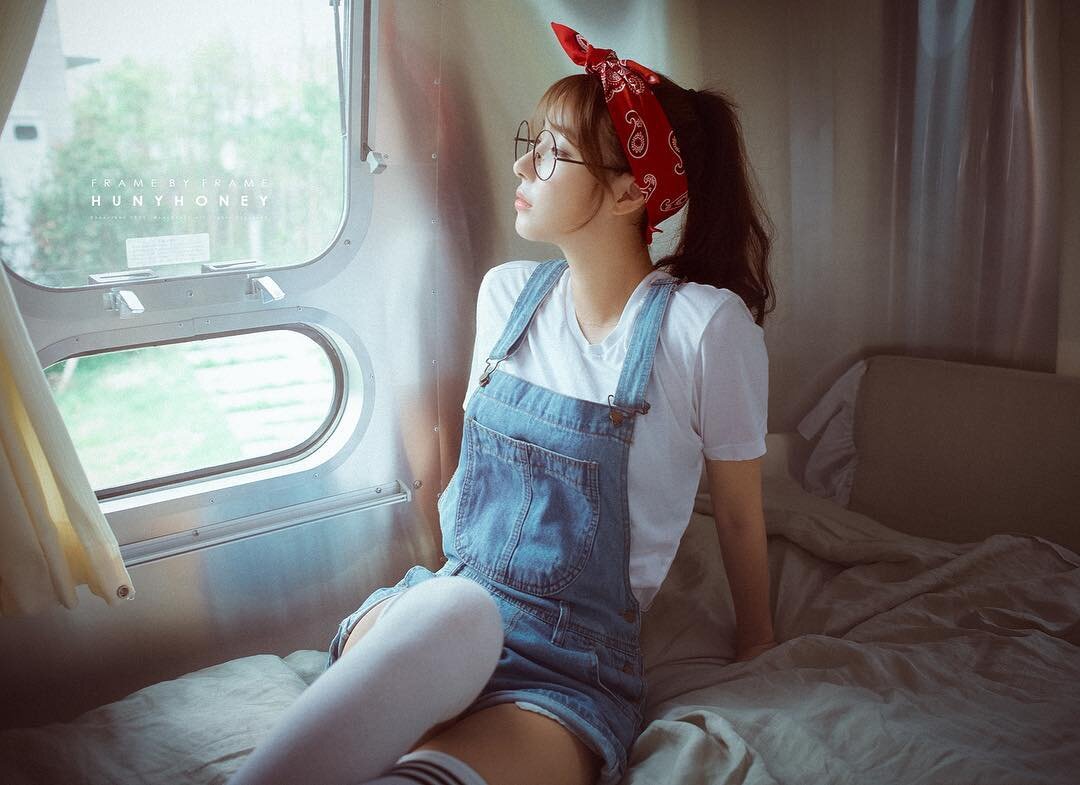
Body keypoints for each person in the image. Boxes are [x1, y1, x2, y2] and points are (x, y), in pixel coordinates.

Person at [228, 20, 777, 785]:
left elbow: (742, 514)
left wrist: (758, 642)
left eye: (552, 152)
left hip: (566, 669)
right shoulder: (507, 295)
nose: (523, 163)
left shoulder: (705, 329)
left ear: (630, 190)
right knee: (458, 610)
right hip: (434, 617)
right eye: (531, 142)